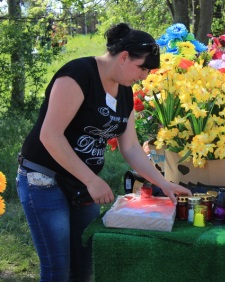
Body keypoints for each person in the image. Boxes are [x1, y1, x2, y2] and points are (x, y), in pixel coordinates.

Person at [16, 23, 192, 281]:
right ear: (123, 57)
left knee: (83, 269)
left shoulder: (124, 89)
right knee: (58, 270)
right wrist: (91, 180)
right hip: (43, 179)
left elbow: (130, 147)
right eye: (142, 67)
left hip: (84, 186)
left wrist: (164, 184)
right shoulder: (77, 75)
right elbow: (49, 135)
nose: (144, 76)